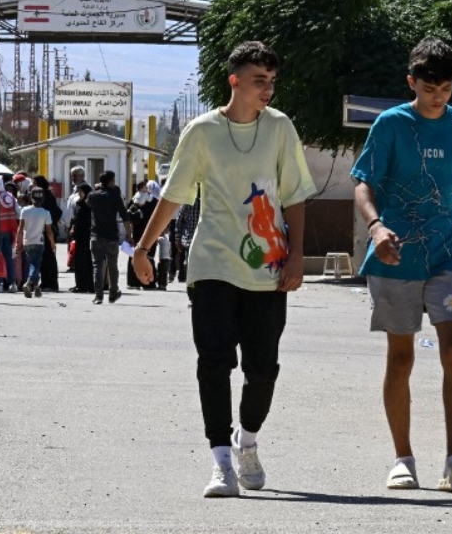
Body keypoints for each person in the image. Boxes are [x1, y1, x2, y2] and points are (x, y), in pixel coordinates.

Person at [132, 40, 316, 498]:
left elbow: (293, 194)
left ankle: (247, 440)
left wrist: (296, 256)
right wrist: (142, 248)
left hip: (268, 267)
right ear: (235, 81)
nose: (267, 90)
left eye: (272, 82)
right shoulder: (201, 132)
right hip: (212, 263)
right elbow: (174, 195)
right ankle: (220, 463)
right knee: (214, 363)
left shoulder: (280, 128)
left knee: (263, 369)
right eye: (259, 81)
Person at [351, 37, 452, 493]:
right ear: (412, 82)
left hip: (447, 253)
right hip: (395, 254)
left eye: (446, 88)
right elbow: (363, 185)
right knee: (402, 356)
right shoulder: (390, 124)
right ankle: (402, 459)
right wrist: (375, 228)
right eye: (430, 87)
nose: (438, 96)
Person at [88, 170, 134, 304]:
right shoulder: (115, 196)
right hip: (111, 236)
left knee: (98, 266)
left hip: (95, 235)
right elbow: (125, 216)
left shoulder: (93, 195)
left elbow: (88, 203)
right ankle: (113, 292)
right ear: (110, 181)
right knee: (112, 265)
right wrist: (129, 235)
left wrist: (98, 189)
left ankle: (98, 295)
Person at [15, 188, 55, 298]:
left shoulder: (24, 210)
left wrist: (18, 242)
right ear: (42, 199)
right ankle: (28, 283)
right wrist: (52, 243)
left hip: (27, 241)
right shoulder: (46, 213)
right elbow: (49, 231)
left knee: (33, 264)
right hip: (39, 242)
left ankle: (37, 288)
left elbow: (20, 228)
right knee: (35, 265)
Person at [32, 175, 63, 291]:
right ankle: (46, 282)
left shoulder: (45, 197)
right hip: (44, 230)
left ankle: (50, 283)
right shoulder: (46, 195)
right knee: (45, 257)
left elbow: (53, 212)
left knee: (48, 257)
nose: (33, 186)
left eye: (34, 183)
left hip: (47, 230)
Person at [0, 178, 20, 293]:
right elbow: (19, 212)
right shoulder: (10, 196)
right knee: (8, 257)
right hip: (9, 230)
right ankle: (12, 284)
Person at [68, 183, 94, 293]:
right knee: (78, 261)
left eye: (81, 191)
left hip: (87, 235)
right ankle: (79, 284)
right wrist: (72, 226)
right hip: (78, 235)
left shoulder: (90, 205)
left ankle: (87, 285)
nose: (79, 193)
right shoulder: (78, 203)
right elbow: (75, 217)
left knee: (86, 261)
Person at [59, 166, 88, 265]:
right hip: (71, 223)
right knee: (72, 245)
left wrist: (69, 224)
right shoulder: (75, 189)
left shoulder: (85, 190)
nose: (73, 178)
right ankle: (72, 263)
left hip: (78, 223)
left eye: (75, 176)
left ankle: (76, 264)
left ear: (82, 176)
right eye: (72, 176)